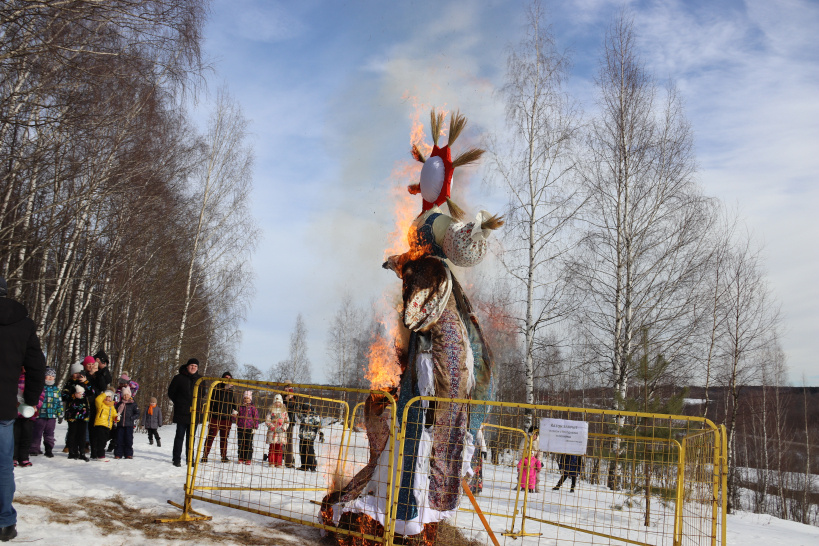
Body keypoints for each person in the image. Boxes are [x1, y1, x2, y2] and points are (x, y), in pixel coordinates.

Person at [0, 276, 46, 541]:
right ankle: (5, 523)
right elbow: (36, 366)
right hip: (4, 406)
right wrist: (29, 400)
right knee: (3, 466)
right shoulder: (23, 324)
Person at [167, 358, 202, 467]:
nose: (193, 367)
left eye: (195, 366)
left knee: (191, 437)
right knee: (179, 436)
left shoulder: (201, 379)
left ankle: (190, 458)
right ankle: (176, 459)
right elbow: (171, 392)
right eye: (191, 365)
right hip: (181, 412)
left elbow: (203, 394)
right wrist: (179, 402)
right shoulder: (178, 378)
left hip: (194, 413)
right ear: (187, 366)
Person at [202, 372, 236, 463]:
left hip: (227, 419)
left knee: (224, 439)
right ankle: (205, 455)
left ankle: (224, 456)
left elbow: (233, 403)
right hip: (215, 417)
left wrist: (235, 411)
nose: (227, 379)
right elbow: (214, 399)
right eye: (226, 377)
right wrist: (224, 388)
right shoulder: (216, 388)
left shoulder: (231, 391)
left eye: (229, 378)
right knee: (210, 437)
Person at [13, 368, 44, 468]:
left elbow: (41, 394)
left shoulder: (34, 378)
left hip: (30, 413)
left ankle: (24, 457)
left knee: (26, 436)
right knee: (14, 436)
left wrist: (36, 405)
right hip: (15, 412)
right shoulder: (14, 376)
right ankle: (13, 457)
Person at [30, 367, 62, 458]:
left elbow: (59, 403)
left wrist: (60, 414)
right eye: (48, 375)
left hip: (52, 415)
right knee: (37, 432)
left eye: (52, 376)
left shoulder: (56, 389)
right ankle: (34, 449)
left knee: (50, 433)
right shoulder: (40, 388)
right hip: (40, 415)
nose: (50, 377)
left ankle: (49, 449)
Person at [64, 385, 90, 461]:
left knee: (82, 435)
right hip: (72, 416)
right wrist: (73, 395)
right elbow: (64, 396)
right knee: (72, 434)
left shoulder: (86, 388)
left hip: (83, 416)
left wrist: (86, 382)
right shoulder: (70, 386)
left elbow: (92, 392)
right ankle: (72, 452)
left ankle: (82, 452)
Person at [91, 390, 117, 461]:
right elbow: (97, 399)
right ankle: (100, 455)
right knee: (101, 441)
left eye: (109, 397)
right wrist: (104, 394)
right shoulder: (101, 404)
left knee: (104, 441)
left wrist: (117, 417)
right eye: (106, 397)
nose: (108, 398)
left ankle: (98, 454)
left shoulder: (112, 407)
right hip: (100, 424)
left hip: (108, 426)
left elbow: (114, 415)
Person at [114, 386, 139, 459]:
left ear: (130, 395)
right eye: (124, 395)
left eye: (127, 395)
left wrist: (132, 418)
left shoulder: (133, 404)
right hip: (120, 424)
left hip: (129, 425)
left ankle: (128, 454)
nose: (126, 396)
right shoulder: (119, 404)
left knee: (128, 440)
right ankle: (118, 454)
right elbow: (115, 412)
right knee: (119, 439)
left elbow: (137, 413)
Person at [234, 391, 258, 465]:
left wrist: (255, 427)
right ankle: (241, 457)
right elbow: (236, 417)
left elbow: (256, 417)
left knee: (248, 443)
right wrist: (234, 416)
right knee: (240, 443)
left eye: (247, 398)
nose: (246, 399)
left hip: (249, 428)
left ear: (250, 399)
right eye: (245, 398)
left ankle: (248, 458)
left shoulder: (253, 408)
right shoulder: (240, 407)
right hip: (241, 427)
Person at [265, 394, 289, 467]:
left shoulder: (284, 412)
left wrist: (283, 428)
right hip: (273, 432)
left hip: (281, 432)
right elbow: (267, 420)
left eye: (279, 402)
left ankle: (278, 463)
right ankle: (272, 462)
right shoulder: (271, 411)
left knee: (279, 448)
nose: (277, 404)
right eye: (276, 402)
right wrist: (272, 427)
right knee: (272, 447)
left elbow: (287, 421)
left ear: (281, 403)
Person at [298, 403, 321, 472]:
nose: (305, 411)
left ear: (310, 409)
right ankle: (304, 465)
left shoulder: (315, 416)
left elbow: (318, 425)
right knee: (302, 450)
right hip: (302, 436)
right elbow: (298, 414)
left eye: (306, 409)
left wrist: (318, 432)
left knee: (310, 450)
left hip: (310, 436)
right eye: (304, 409)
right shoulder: (303, 415)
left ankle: (312, 465)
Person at [283, 383, 298, 468]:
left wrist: (290, 400)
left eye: (289, 387)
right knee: (279, 440)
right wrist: (285, 399)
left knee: (289, 441)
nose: (287, 388)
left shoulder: (294, 397)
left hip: (290, 421)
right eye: (286, 387)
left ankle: (289, 461)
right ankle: (278, 458)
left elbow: (294, 407)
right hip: (280, 421)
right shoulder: (280, 395)